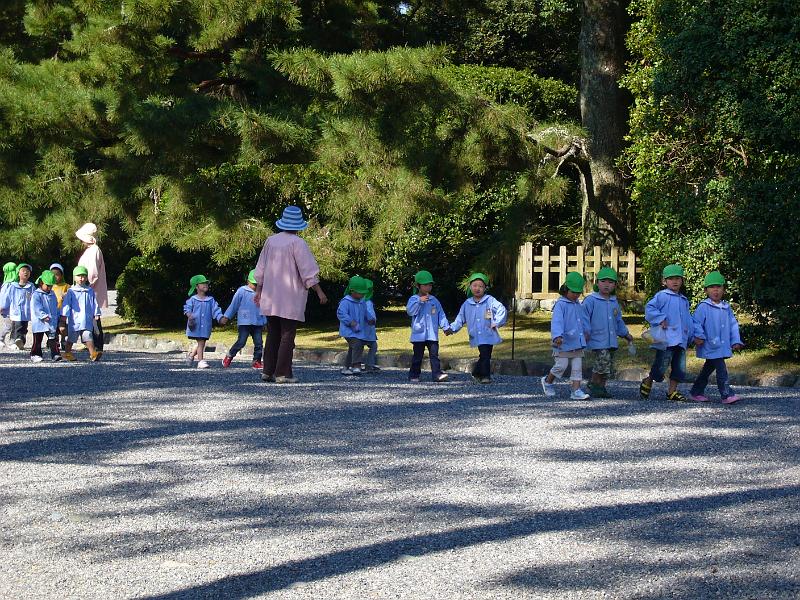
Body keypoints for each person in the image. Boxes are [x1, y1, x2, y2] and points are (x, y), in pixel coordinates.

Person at [254, 205, 328, 384]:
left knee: (273, 333)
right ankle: (282, 373)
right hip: (290, 297)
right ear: (298, 225)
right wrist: (319, 292)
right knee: (287, 335)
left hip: (270, 296)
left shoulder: (271, 241)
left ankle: (268, 371)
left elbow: (260, 268)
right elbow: (307, 271)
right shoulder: (298, 243)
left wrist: (258, 290)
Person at [639, 264, 698, 402]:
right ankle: (649, 379)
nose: (674, 281)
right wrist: (660, 318)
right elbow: (650, 308)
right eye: (671, 279)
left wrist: (691, 335)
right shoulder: (662, 296)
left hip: (681, 340)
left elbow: (688, 319)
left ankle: (672, 391)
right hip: (667, 340)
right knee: (661, 366)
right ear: (664, 281)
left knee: (679, 368)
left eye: (678, 278)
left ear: (682, 281)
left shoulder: (684, 300)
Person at [689, 271, 744, 404]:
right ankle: (726, 395)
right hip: (710, 345)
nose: (715, 290)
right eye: (712, 287)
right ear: (706, 290)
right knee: (721, 369)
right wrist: (698, 336)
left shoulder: (726, 307)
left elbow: (733, 325)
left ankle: (696, 392)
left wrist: (735, 340)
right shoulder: (703, 307)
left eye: (718, 287)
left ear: (723, 289)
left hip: (721, 346)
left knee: (707, 370)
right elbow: (695, 323)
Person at [581, 267, 634, 398]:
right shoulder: (591, 300)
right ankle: (594, 383)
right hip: (597, 339)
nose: (606, 285)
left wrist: (625, 334)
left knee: (607, 365)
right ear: (597, 282)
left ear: (615, 285)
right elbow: (583, 317)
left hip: (611, 340)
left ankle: (601, 386)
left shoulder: (614, 302)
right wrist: (585, 332)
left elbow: (618, 320)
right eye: (603, 281)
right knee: (602, 361)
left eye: (610, 282)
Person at [447, 272, 507, 384]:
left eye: (480, 286)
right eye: (475, 286)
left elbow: (501, 309)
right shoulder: (467, 304)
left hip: (488, 332)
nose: (477, 288)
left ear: (485, 288)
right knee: (485, 354)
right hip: (476, 334)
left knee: (485, 354)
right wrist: (451, 329)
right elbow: (460, 319)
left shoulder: (489, 300)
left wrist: (497, 322)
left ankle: (481, 374)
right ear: (470, 287)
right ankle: (481, 374)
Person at [541, 272, 591, 400]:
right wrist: (557, 335)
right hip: (562, 342)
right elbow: (557, 321)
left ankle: (576, 390)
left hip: (577, 342)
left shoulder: (578, 304)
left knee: (577, 367)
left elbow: (583, 319)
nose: (576, 295)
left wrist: (586, 331)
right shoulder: (561, 305)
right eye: (573, 292)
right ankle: (548, 381)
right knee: (561, 366)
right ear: (566, 289)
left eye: (578, 293)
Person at [406, 270, 450, 383]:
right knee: (418, 356)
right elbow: (410, 312)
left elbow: (441, 314)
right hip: (419, 334)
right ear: (418, 286)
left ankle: (437, 375)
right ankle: (414, 375)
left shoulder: (434, 300)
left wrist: (445, 327)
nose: (428, 287)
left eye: (430, 285)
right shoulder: (413, 299)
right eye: (425, 285)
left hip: (432, 334)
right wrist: (419, 301)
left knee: (434, 355)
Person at [221, 270, 266, 370]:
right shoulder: (242, 291)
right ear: (248, 281)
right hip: (244, 322)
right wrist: (226, 316)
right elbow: (234, 305)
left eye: (257, 284)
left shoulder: (262, 293)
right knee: (241, 342)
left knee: (259, 343)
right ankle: (229, 355)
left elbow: (264, 308)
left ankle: (257, 361)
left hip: (257, 322)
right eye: (254, 284)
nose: (255, 286)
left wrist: (265, 321)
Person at [76, 223, 108, 358]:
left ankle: (98, 345)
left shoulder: (94, 250)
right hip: (87, 287)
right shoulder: (91, 250)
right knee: (88, 317)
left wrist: (87, 284)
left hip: (90, 288)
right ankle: (89, 343)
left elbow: (93, 272)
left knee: (94, 317)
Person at [62, 265, 102, 362]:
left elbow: (94, 303)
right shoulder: (71, 291)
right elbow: (66, 304)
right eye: (78, 276)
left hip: (86, 318)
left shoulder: (89, 291)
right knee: (71, 337)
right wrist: (64, 315)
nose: (81, 278)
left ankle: (93, 354)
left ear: (86, 277)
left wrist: (96, 313)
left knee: (88, 335)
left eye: (83, 276)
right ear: (74, 277)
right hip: (75, 319)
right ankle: (67, 353)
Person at [184, 274, 224, 369]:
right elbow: (187, 308)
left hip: (206, 326)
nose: (205, 284)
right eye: (202, 283)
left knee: (201, 343)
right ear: (196, 287)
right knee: (201, 342)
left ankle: (191, 356)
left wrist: (220, 317)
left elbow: (216, 310)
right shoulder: (193, 299)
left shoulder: (210, 300)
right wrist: (189, 315)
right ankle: (200, 361)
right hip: (195, 325)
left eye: (206, 283)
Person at [338, 275, 370, 376]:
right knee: (357, 344)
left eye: (363, 293)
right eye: (360, 292)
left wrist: (369, 318)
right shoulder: (346, 302)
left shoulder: (362, 301)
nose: (362, 295)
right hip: (348, 330)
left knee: (353, 348)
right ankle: (356, 365)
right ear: (352, 291)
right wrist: (350, 322)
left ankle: (346, 367)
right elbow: (341, 313)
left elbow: (365, 312)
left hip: (357, 330)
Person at [30, 269, 62, 363]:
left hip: (51, 321)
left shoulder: (52, 294)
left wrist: (57, 315)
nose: (49, 287)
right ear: (41, 283)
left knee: (53, 338)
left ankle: (55, 354)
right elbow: (36, 307)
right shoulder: (36, 294)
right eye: (47, 285)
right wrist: (43, 316)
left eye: (51, 286)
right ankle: (35, 354)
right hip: (39, 322)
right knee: (37, 339)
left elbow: (55, 306)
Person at [0, 263, 34, 351]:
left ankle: (19, 341)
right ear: (18, 273)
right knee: (17, 327)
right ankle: (17, 341)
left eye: (28, 271)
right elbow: (7, 298)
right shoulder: (13, 286)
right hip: (15, 311)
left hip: (26, 312)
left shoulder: (31, 286)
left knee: (24, 327)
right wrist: (3, 306)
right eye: (23, 271)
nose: (26, 272)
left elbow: (34, 298)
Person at [49, 263, 71, 351]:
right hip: (53, 312)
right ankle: (55, 341)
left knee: (62, 328)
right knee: (53, 328)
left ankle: (63, 339)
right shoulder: (50, 287)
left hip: (62, 312)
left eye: (57, 275)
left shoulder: (66, 286)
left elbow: (71, 293)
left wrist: (65, 294)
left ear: (61, 275)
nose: (55, 277)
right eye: (52, 275)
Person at [362, 278, 380, 372]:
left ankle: (355, 365)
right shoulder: (368, 303)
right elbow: (370, 316)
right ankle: (369, 365)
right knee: (373, 346)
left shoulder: (359, 302)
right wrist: (372, 320)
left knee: (358, 348)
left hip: (361, 329)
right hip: (368, 330)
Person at [0, 261, 17, 347]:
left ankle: (12, 342)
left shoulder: (16, 284)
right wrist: (2, 306)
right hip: (7, 310)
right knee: (8, 326)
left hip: (14, 310)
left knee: (15, 326)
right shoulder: (7, 284)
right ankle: (1, 338)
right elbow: (4, 297)